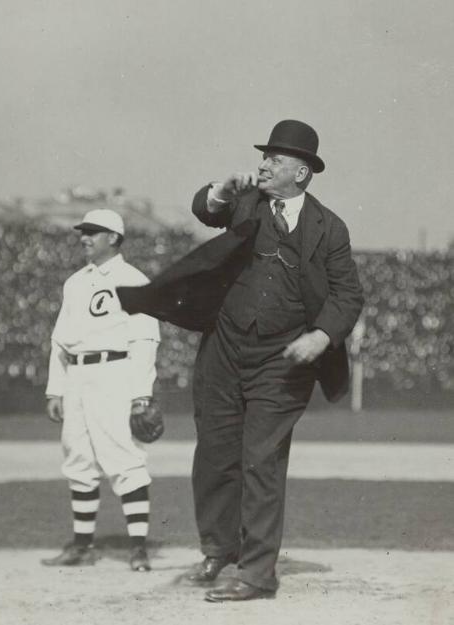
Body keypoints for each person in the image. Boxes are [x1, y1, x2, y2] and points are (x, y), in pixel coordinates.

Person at [183, 120, 364, 601]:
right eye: (264, 157)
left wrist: (322, 335)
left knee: (262, 461)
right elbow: (205, 208)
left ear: (301, 173)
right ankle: (219, 549)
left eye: (275, 159)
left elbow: (348, 294)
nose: (263, 164)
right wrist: (220, 189)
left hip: (281, 359)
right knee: (215, 455)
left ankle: (258, 574)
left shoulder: (330, 228)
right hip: (224, 348)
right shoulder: (245, 202)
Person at [41, 208, 161, 572]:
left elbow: (145, 338)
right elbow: (59, 341)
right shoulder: (75, 282)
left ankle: (138, 548)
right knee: (78, 459)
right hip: (77, 376)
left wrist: (141, 394)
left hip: (115, 373)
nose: (84, 237)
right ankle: (82, 546)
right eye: (83, 231)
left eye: (93, 231)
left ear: (114, 237)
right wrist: (55, 390)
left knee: (125, 457)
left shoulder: (133, 279)